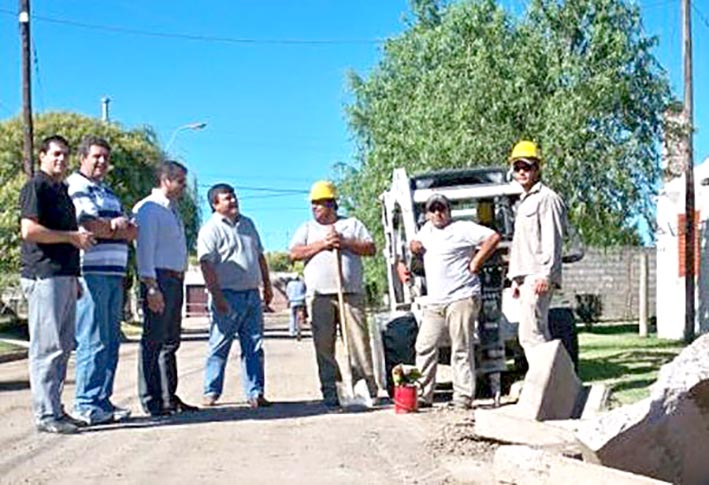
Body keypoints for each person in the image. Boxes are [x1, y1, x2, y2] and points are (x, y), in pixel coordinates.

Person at [19, 135, 95, 434]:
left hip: (64, 275)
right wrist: (71, 238)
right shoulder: (35, 186)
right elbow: (29, 230)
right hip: (43, 275)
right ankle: (45, 414)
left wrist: (74, 275)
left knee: (63, 347)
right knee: (47, 348)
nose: (60, 160)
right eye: (55, 154)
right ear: (42, 156)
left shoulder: (62, 190)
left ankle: (55, 408)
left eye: (65, 155)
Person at [65, 136, 138, 425]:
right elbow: (88, 225)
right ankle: (85, 402)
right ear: (82, 157)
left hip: (114, 273)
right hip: (91, 272)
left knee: (109, 341)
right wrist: (114, 227)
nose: (102, 162)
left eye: (106, 157)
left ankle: (102, 401)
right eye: (96, 156)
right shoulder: (77, 186)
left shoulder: (108, 192)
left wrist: (115, 228)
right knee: (92, 340)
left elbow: (131, 232)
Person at [289, 180, 379, 408]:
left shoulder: (352, 224)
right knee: (324, 347)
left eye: (318, 204)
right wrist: (322, 245)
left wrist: (345, 242)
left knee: (359, 344)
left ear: (331, 205)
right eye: (313, 205)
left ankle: (366, 389)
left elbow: (370, 248)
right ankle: (332, 391)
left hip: (351, 294)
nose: (314, 209)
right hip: (320, 298)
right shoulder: (307, 229)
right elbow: (294, 253)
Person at [407, 194, 500, 409]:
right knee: (424, 345)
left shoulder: (462, 229)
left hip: (461, 297)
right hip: (435, 301)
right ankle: (423, 394)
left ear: (449, 210)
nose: (438, 213)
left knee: (461, 347)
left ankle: (463, 397)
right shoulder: (426, 231)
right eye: (433, 209)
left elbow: (493, 237)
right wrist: (413, 246)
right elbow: (415, 243)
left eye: (442, 209)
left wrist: (476, 261)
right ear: (427, 213)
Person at [198, 183, 273, 408]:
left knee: (254, 346)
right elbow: (206, 264)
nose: (233, 201)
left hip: (251, 295)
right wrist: (217, 297)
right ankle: (211, 392)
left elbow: (260, 257)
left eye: (234, 197)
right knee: (219, 345)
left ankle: (255, 393)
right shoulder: (210, 229)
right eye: (227, 198)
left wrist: (267, 286)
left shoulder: (248, 224)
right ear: (215, 204)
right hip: (227, 296)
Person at [133, 161, 197, 416]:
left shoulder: (172, 210)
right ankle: (151, 399)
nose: (183, 187)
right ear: (165, 179)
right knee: (154, 340)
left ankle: (169, 397)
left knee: (170, 341)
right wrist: (151, 287)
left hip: (175, 279)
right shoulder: (149, 209)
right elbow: (145, 250)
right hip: (158, 279)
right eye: (180, 181)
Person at [507, 140, 567, 355]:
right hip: (526, 276)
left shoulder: (547, 199)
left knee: (532, 336)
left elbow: (553, 238)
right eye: (517, 167)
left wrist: (546, 274)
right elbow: (521, 244)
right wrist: (516, 278)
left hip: (537, 276)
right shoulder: (523, 201)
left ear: (537, 168)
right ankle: (552, 382)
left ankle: (548, 383)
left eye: (527, 167)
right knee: (533, 333)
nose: (522, 172)